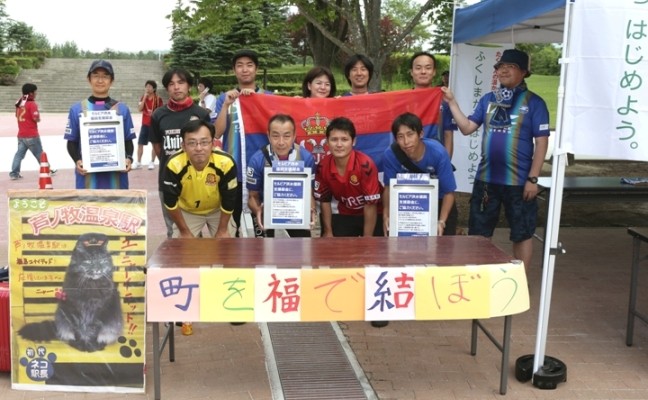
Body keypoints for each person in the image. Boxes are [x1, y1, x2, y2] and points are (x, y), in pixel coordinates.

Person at [442, 49, 550, 271]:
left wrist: (533, 178)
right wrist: (452, 103)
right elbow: (467, 128)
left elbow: (541, 143)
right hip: (486, 180)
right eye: (500, 67)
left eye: (510, 67)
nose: (503, 71)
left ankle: (520, 280)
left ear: (524, 72)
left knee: (522, 233)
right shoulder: (488, 99)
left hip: (519, 182)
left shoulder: (535, 103)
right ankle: (480, 278)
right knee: (479, 234)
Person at [314, 116, 386, 328]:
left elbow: (371, 205)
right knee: (332, 252)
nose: (339, 144)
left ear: (353, 141)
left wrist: (367, 239)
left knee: (375, 258)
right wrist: (328, 232)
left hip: (372, 214)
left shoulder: (365, 164)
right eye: (334, 139)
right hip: (345, 213)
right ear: (327, 142)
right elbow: (324, 201)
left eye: (344, 139)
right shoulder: (323, 165)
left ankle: (378, 307)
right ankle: (338, 299)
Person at [214, 49, 273, 237]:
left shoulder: (268, 97)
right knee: (234, 224)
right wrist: (226, 105)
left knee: (263, 223)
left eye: (249, 65)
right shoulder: (224, 99)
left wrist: (255, 101)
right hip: (234, 169)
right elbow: (217, 132)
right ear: (234, 70)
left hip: (263, 169)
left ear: (256, 69)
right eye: (240, 66)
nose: (245, 69)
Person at [150, 68, 211, 238]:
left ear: (189, 86)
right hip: (168, 180)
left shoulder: (201, 114)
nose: (176, 87)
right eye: (171, 84)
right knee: (175, 231)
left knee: (195, 230)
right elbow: (158, 147)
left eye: (181, 82)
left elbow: (208, 145)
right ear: (167, 88)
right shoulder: (158, 115)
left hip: (196, 180)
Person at [382, 112, 457, 236]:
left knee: (444, 244)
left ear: (420, 134)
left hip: (440, 201)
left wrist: (442, 221)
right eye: (400, 136)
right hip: (406, 204)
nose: (406, 141)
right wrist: (386, 215)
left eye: (410, 134)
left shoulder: (438, 153)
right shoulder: (390, 155)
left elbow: (449, 192)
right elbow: (388, 188)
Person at [64, 60, 135, 189]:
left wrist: (129, 159)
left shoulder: (122, 109)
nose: (100, 80)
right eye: (96, 75)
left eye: (105, 76)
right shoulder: (77, 109)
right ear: (89, 79)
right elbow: (71, 142)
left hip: (116, 180)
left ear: (111, 81)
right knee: (89, 203)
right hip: (87, 179)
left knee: (116, 203)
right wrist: (77, 160)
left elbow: (128, 141)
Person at [161, 119, 237, 239]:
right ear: (183, 146)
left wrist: (222, 230)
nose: (199, 148)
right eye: (192, 143)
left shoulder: (226, 163)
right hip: (188, 211)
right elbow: (170, 202)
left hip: (218, 209)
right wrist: (184, 232)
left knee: (227, 245)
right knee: (181, 245)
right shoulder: (174, 164)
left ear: (213, 144)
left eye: (204, 142)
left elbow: (230, 199)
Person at [246, 114, 316, 238]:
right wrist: (258, 211)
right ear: (268, 135)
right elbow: (252, 196)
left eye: (287, 136)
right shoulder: (257, 160)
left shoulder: (306, 158)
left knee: (303, 246)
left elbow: (308, 193)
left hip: (295, 212)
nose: (281, 142)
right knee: (264, 248)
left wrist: (312, 211)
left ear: (294, 136)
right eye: (275, 136)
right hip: (266, 211)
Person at [410, 51, 455, 157]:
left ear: (434, 72)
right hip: (407, 161)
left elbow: (448, 135)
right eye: (418, 68)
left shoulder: (444, 99)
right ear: (411, 72)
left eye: (428, 68)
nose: (423, 72)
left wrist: (446, 163)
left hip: (436, 159)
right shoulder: (402, 101)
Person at [10, 83, 56, 180]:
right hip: (32, 135)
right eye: (35, 92)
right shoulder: (32, 104)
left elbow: (16, 115)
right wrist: (38, 118)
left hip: (21, 135)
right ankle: (47, 169)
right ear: (31, 93)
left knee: (19, 155)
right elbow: (36, 118)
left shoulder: (19, 102)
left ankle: (14, 173)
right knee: (39, 153)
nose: (36, 93)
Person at [133, 80, 164, 170]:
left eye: (150, 87)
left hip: (154, 124)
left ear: (154, 88)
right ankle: (138, 162)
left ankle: (152, 162)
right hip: (145, 124)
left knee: (154, 144)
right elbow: (140, 109)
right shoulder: (143, 97)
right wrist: (144, 98)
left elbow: (161, 111)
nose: (147, 88)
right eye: (146, 86)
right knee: (140, 143)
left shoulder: (158, 99)